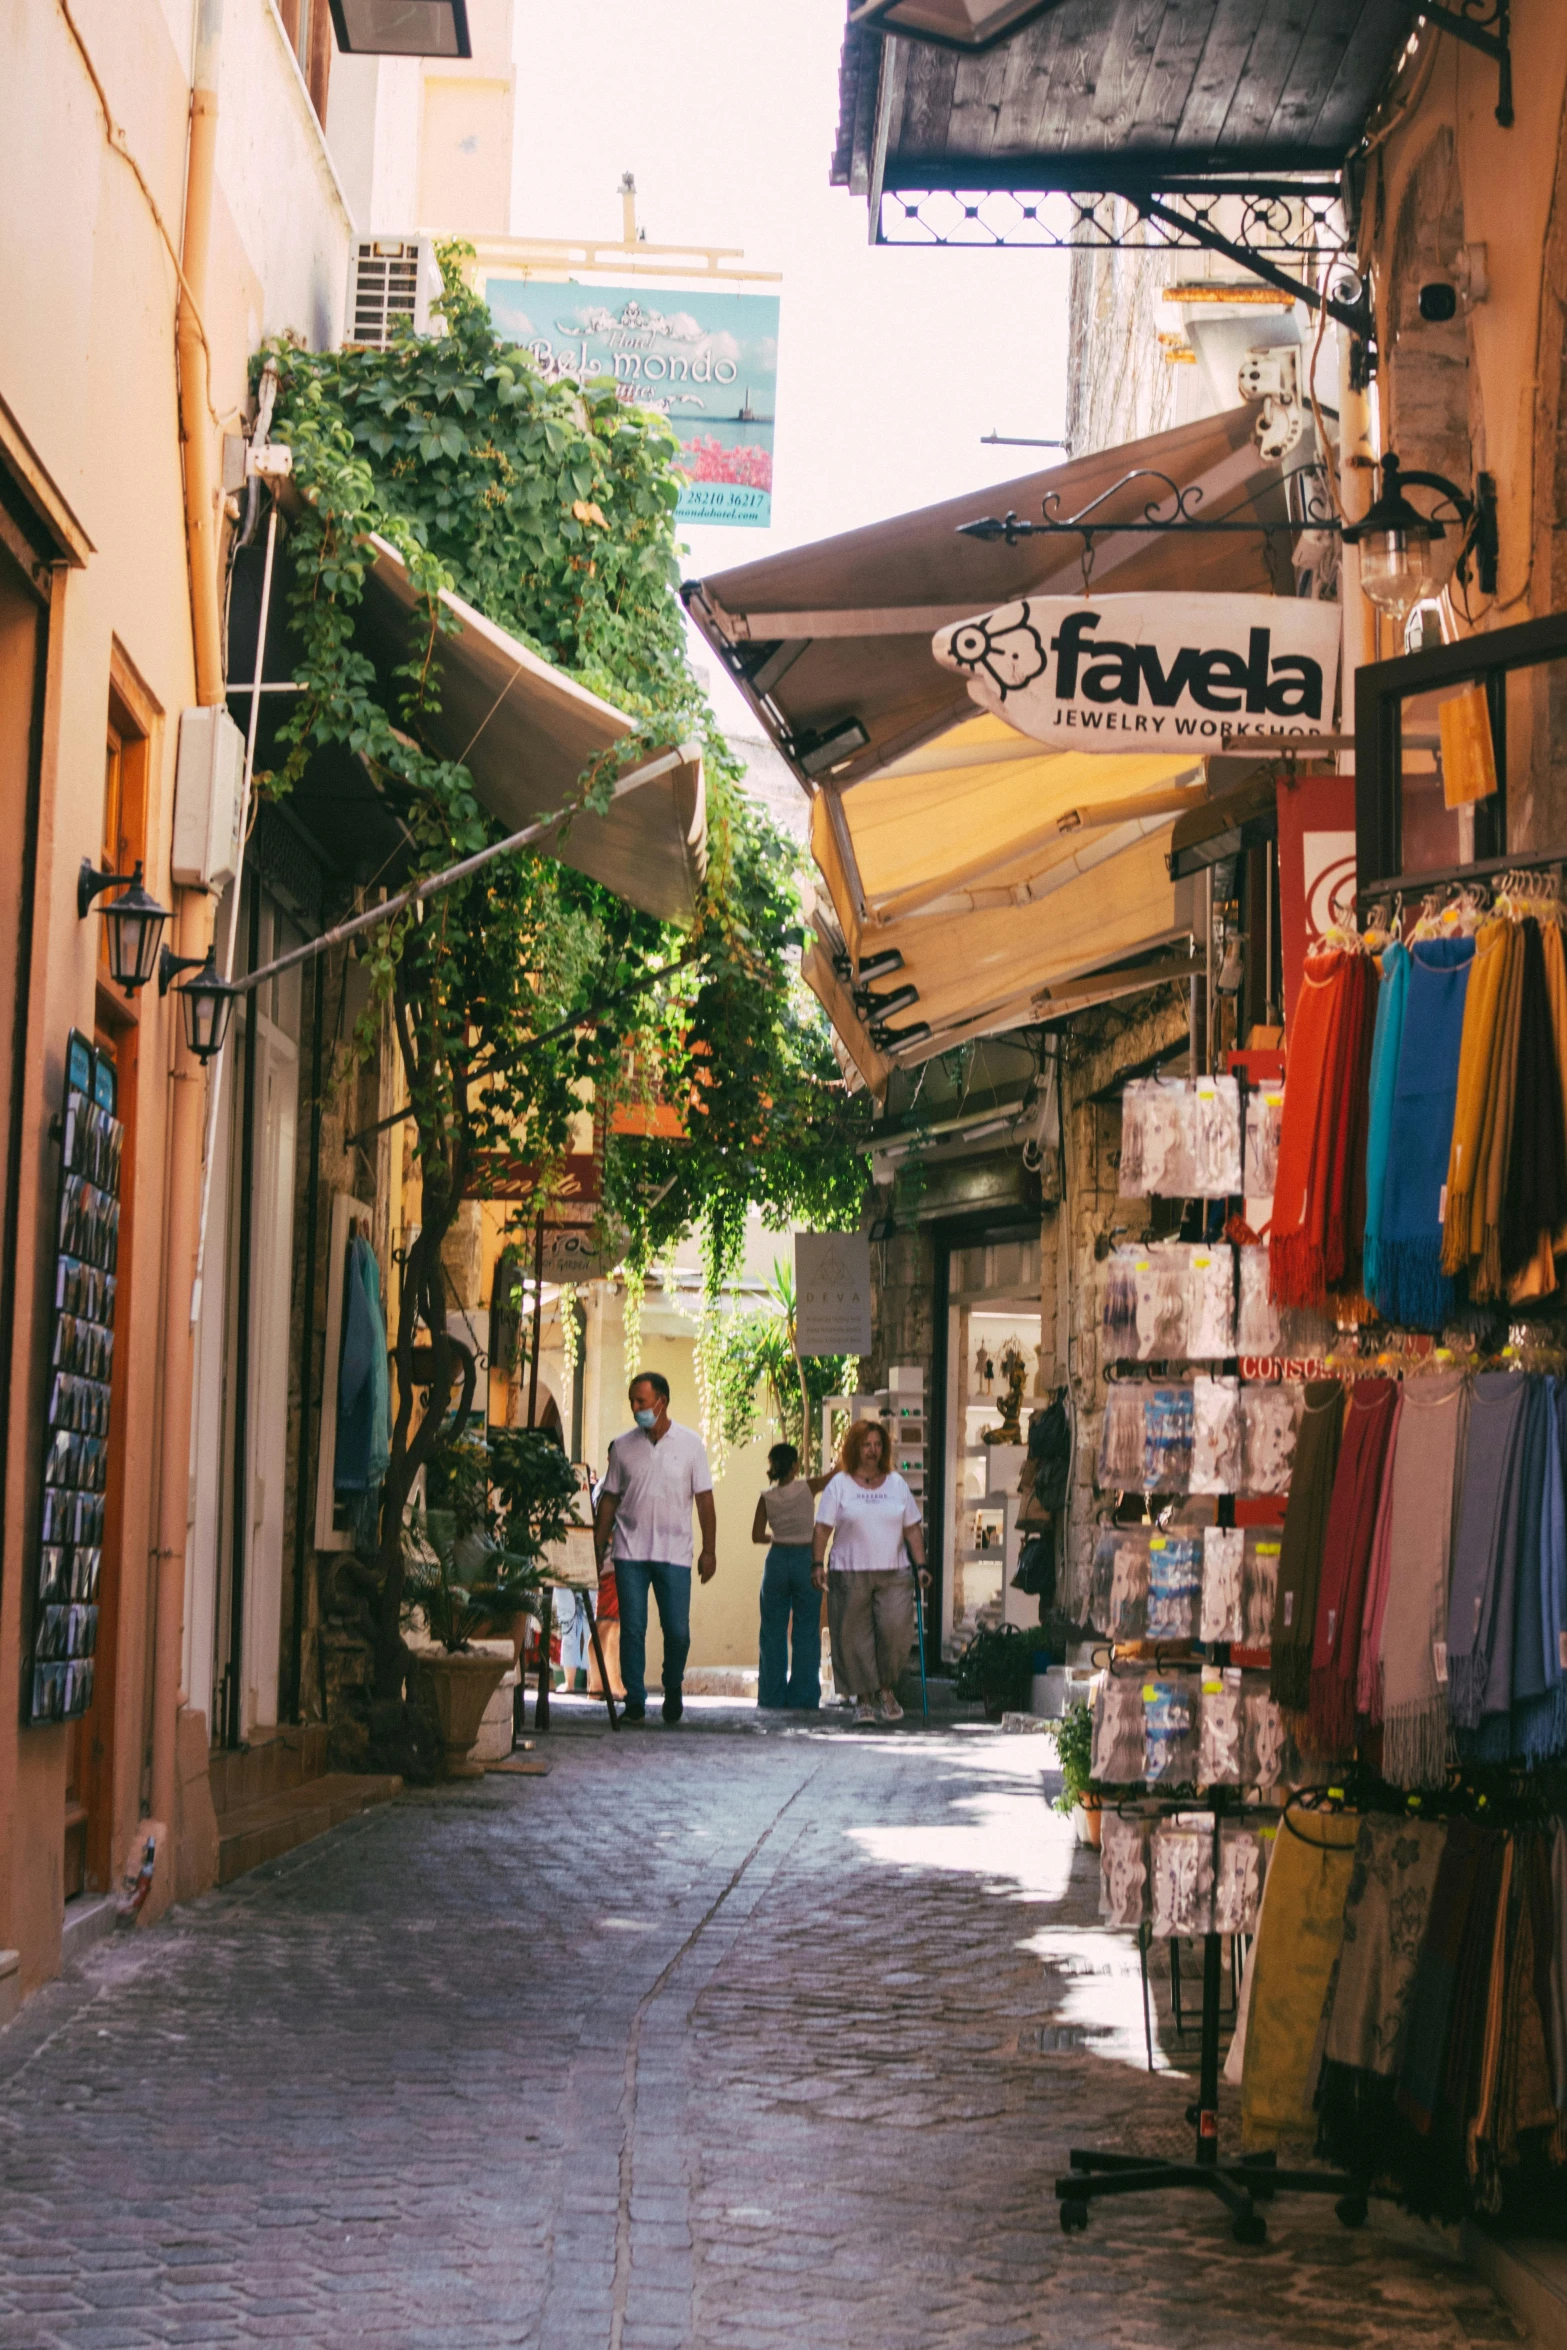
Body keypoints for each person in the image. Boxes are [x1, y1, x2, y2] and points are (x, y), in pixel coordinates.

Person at [592, 1372, 716, 1725]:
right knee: (632, 1627)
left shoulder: (691, 1445)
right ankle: (635, 1699)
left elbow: (705, 1501)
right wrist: (597, 1546)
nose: (635, 1408)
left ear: (661, 1401)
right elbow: (609, 1501)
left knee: (677, 1631)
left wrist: (710, 1550)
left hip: (675, 1553)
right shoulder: (622, 1447)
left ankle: (672, 1685)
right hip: (630, 1552)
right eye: (632, 1401)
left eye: (641, 1402)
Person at [812, 1419, 929, 1725]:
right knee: (853, 1639)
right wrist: (817, 1564)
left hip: (894, 1571)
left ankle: (886, 1689)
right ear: (855, 1448)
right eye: (866, 1445)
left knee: (895, 1632)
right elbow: (823, 1528)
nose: (873, 1451)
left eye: (877, 1444)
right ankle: (863, 1700)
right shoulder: (840, 1485)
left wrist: (922, 1565)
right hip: (849, 1571)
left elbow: (913, 1529)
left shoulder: (896, 1484)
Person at [751, 1442, 828, 1710]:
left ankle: (771, 1697)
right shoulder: (809, 1487)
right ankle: (804, 1697)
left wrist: (778, 1535)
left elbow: (757, 1535)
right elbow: (834, 1476)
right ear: (795, 1465)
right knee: (806, 1630)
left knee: (772, 1630)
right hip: (806, 1559)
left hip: (776, 1562)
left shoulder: (766, 1497)